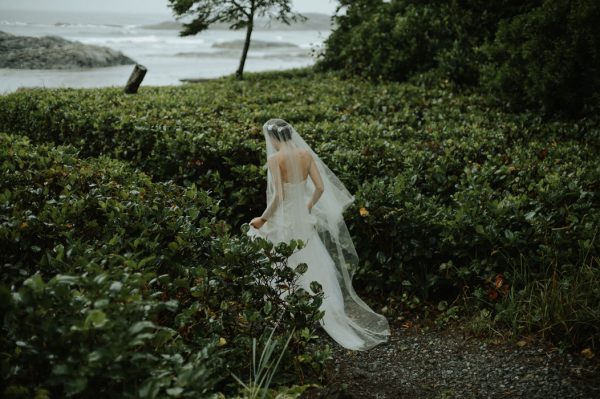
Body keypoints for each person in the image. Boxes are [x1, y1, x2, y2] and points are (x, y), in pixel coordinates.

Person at [247, 118, 390, 351]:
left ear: (273, 138)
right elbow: (321, 188)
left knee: (278, 255)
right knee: (310, 258)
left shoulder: (275, 159)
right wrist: (309, 206)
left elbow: (279, 196)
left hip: (285, 218)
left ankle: (286, 310)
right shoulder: (305, 154)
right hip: (303, 218)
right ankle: (321, 308)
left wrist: (263, 219)